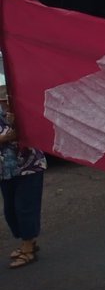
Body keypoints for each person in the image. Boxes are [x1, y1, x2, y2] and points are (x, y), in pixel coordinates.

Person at [1, 86, 45, 269]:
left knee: (24, 207)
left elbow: (36, 127)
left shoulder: (22, 102)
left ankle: (28, 248)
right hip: (5, 170)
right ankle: (27, 242)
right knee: (11, 210)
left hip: (29, 165)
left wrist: (18, 124)